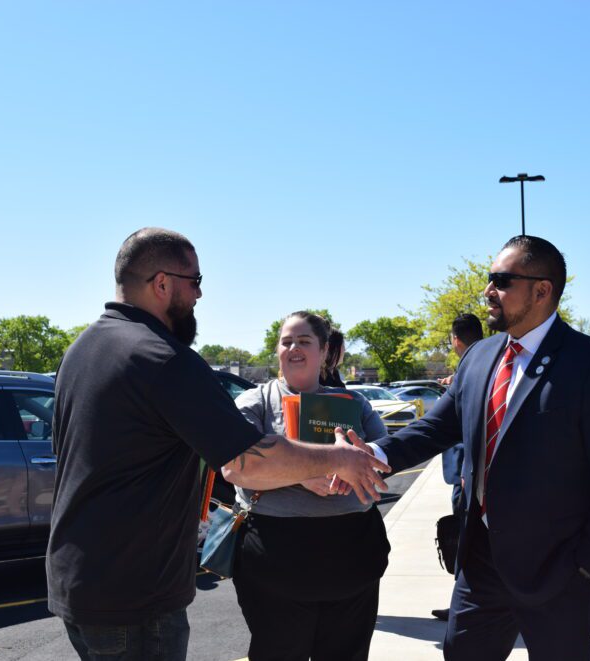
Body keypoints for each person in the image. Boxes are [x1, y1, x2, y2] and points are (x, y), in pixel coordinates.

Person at [47, 228, 389, 661]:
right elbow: (245, 463)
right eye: (196, 282)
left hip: (78, 579)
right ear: (162, 284)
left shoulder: (83, 348)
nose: (200, 295)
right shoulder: (162, 358)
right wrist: (339, 458)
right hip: (135, 593)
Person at [353, 235, 590, 661]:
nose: (488, 291)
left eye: (501, 281)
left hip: (560, 570)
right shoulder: (479, 357)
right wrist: (372, 455)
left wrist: (589, 564)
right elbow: (435, 429)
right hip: (481, 562)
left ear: (542, 290)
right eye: (489, 279)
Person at [225, 311, 390, 661]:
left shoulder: (354, 404)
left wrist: (350, 469)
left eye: (304, 341)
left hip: (353, 554)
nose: (294, 348)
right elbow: (236, 467)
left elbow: (385, 456)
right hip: (276, 560)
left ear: (325, 349)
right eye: (287, 342)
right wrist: (306, 473)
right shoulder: (254, 403)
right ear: (277, 349)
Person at [431, 312, 483, 622]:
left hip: (468, 476)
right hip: (476, 477)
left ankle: (463, 604)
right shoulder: (490, 364)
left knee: (466, 541)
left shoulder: (472, 369)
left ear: (455, 341)